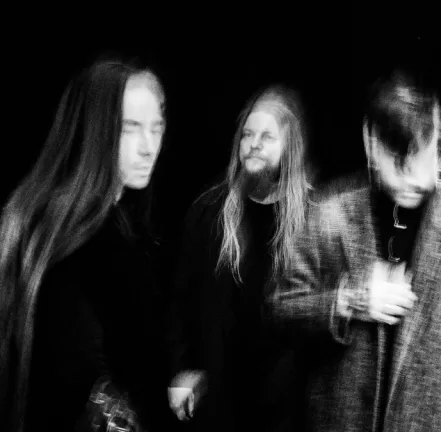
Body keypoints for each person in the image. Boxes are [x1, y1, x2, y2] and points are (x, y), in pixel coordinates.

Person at [269, 69, 441, 431]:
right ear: (370, 141)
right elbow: (280, 312)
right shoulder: (328, 215)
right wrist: (349, 301)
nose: (417, 176)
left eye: (428, 151)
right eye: (400, 161)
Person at [0, 58, 169, 432]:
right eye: (130, 128)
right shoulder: (87, 240)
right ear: (94, 131)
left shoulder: (46, 216)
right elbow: (77, 375)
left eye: (156, 128)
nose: (149, 147)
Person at [166, 85, 313, 431]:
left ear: (290, 147)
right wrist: (181, 367)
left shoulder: (313, 217)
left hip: (286, 406)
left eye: (267, 136)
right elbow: (180, 298)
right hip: (220, 399)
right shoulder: (210, 211)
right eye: (248, 134)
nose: (254, 144)